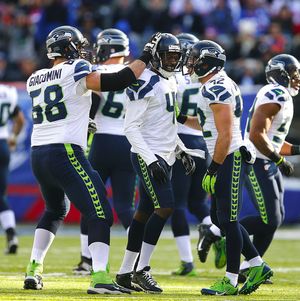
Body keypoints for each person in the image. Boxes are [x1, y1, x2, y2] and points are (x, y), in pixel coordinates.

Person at [23, 25, 161, 294]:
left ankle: (33, 270)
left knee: (54, 210)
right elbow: (115, 81)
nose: (82, 50)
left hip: (38, 153)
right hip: (65, 152)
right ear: (68, 48)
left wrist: (84, 120)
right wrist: (144, 56)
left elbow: (65, 102)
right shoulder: (75, 69)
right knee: (100, 212)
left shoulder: (35, 77)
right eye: (77, 45)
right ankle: (99, 278)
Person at [180, 40, 273, 295]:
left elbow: (224, 134)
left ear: (206, 62)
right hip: (225, 156)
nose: (190, 64)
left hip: (230, 156)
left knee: (229, 220)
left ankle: (231, 281)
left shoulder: (216, 87)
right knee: (221, 219)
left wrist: (214, 168)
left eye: (194, 59)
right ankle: (257, 265)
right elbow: (207, 125)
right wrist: (180, 118)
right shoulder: (213, 84)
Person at [115, 33, 199, 293]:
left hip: (165, 154)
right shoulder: (144, 82)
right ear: (155, 57)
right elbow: (130, 128)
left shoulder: (171, 81)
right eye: (168, 56)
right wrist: (151, 160)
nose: (173, 61)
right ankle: (142, 269)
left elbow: (167, 125)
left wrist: (181, 149)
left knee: (142, 213)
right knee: (166, 207)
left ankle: (124, 272)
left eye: (176, 56)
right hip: (147, 155)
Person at [73, 28, 137, 275]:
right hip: (128, 142)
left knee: (90, 202)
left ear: (105, 48)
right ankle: (137, 257)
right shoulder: (135, 74)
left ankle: (86, 260)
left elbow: (95, 100)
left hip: (101, 140)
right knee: (125, 206)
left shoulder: (95, 73)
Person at [239, 53, 300, 282]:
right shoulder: (275, 93)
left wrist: (295, 151)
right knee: (270, 219)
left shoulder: (281, 95)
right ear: (283, 74)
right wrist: (279, 160)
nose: (298, 78)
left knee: (277, 217)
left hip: (266, 158)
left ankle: (248, 267)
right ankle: (222, 232)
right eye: (295, 73)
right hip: (256, 160)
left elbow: (275, 141)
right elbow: (256, 135)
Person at [170, 32, 210, 277]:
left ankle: (187, 261)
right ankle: (211, 230)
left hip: (180, 142)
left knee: (177, 205)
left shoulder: (173, 79)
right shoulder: (206, 79)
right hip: (203, 142)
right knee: (198, 202)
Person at [0, 84, 25, 254]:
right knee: (1, 195)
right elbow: (20, 120)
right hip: (2, 144)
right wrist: (13, 137)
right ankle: (11, 234)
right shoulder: (8, 92)